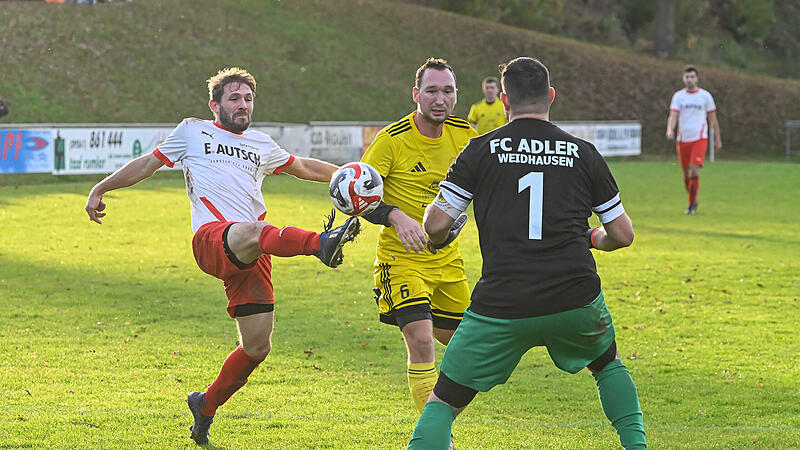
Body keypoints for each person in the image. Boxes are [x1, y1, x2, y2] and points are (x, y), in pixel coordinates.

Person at [84, 67, 361, 446]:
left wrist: (351, 176)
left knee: (256, 347)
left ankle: (205, 405)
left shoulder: (262, 144)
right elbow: (148, 163)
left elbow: (304, 167)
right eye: (234, 98)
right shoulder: (192, 130)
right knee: (255, 230)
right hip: (213, 239)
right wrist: (101, 187)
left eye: (248, 98)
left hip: (253, 252)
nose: (243, 104)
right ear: (215, 105)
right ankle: (321, 244)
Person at [408, 57, 646, 449]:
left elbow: (435, 225)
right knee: (606, 364)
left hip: (502, 302)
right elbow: (622, 235)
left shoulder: (480, 150)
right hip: (574, 295)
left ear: (504, 101)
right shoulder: (582, 152)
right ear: (551, 96)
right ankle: (637, 445)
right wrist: (590, 238)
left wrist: (443, 222)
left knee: (446, 399)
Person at [359, 58, 478, 442]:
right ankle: (435, 437)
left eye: (447, 91)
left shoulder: (466, 136)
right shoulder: (391, 140)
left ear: (456, 96)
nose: (440, 99)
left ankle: (436, 420)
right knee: (422, 340)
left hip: (448, 263)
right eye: (431, 91)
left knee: (471, 351)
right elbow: (357, 195)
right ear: (416, 95)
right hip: (401, 261)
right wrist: (395, 215)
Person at [666, 65, 721, 215]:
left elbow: (713, 119)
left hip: (700, 138)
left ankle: (691, 206)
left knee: (693, 169)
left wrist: (717, 139)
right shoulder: (678, 96)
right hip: (683, 139)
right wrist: (670, 129)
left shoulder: (705, 96)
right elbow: (673, 115)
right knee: (686, 174)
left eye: (692, 77)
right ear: (683, 79)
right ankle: (693, 199)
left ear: (697, 79)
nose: (690, 79)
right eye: (687, 77)